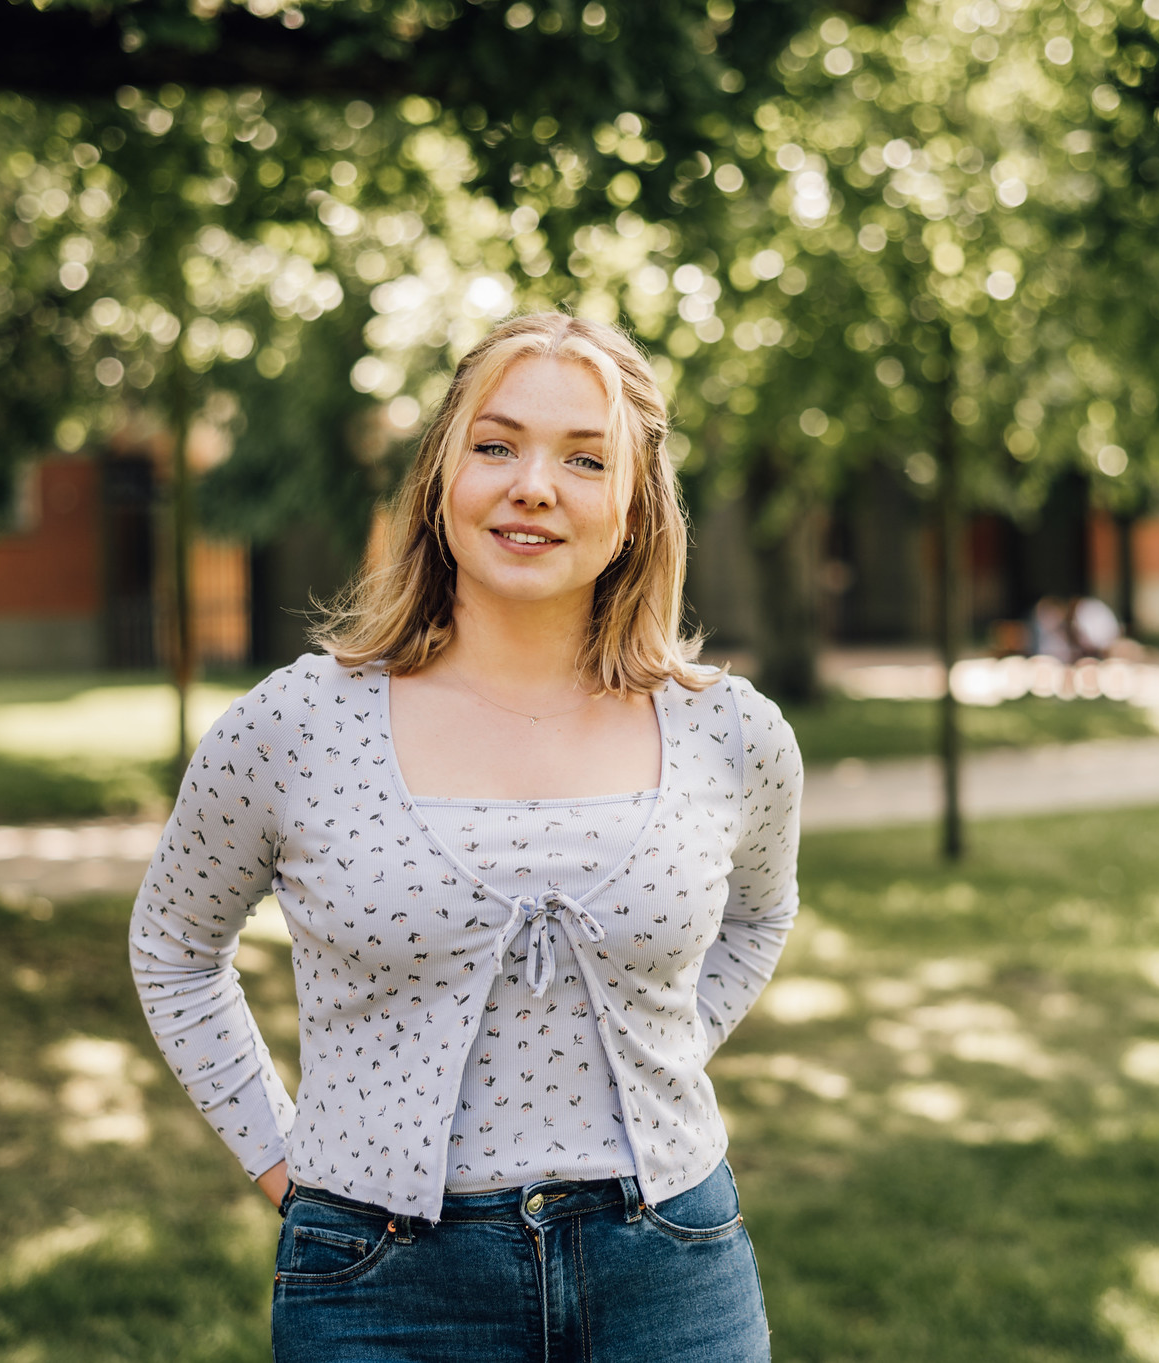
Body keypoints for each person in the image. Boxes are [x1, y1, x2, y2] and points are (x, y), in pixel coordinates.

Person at [129, 312, 803, 1363]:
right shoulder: (294, 727)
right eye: (496, 445)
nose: (532, 484)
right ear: (441, 478)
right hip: (379, 1287)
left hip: (671, 1271)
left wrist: (660, 1047)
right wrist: (284, 1160)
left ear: (633, 508)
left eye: (584, 458)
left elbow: (760, 914)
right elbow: (174, 947)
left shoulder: (731, 732)